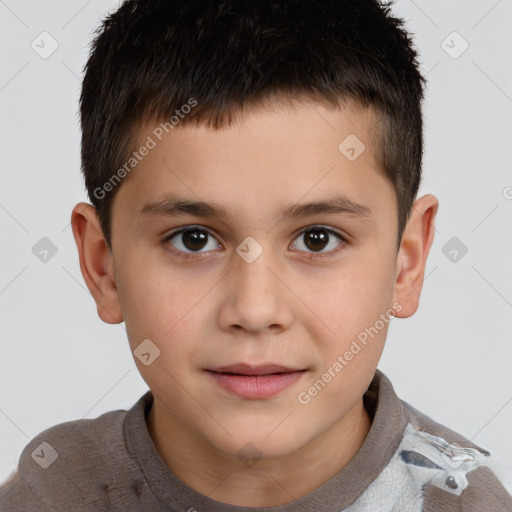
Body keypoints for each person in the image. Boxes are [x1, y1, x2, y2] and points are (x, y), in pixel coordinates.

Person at [1, 1, 511, 510]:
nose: (255, 309)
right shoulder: (50, 495)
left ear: (407, 262)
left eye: (317, 239)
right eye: (193, 239)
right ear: (103, 266)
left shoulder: (464, 501)